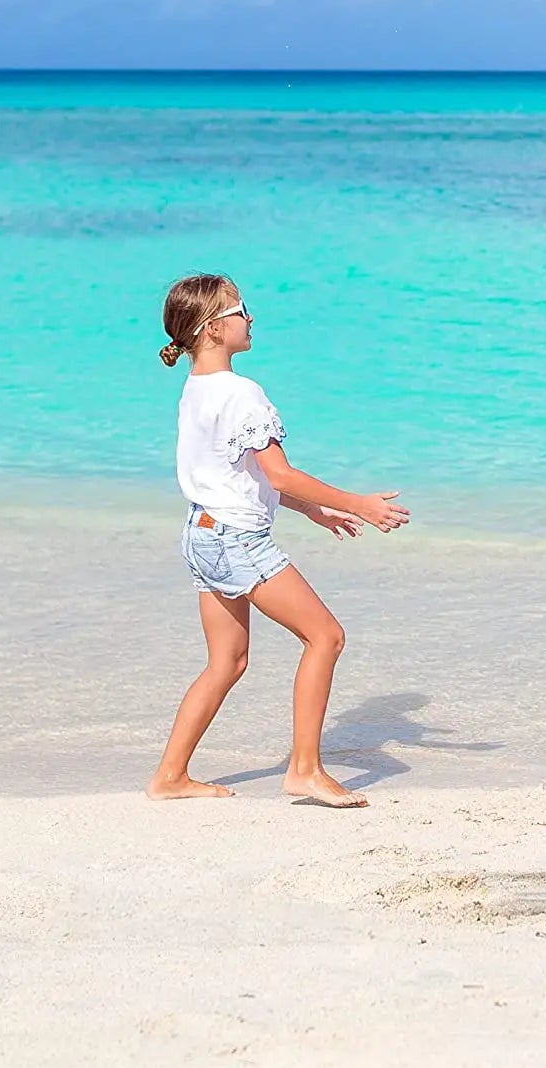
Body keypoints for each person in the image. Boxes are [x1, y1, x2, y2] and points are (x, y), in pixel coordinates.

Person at [147, 274, 409, 807]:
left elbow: (234, 475)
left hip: (202, 532)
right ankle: (305, 770)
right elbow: (279, 474)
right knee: (326, 638)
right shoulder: (243, 394)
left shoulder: (196, 389)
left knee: (228, 662)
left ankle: (170, 776)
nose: (251, 318)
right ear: (215, 328)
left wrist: (313, 509)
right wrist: (360, 502)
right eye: (243, 310)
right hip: (237, 541)